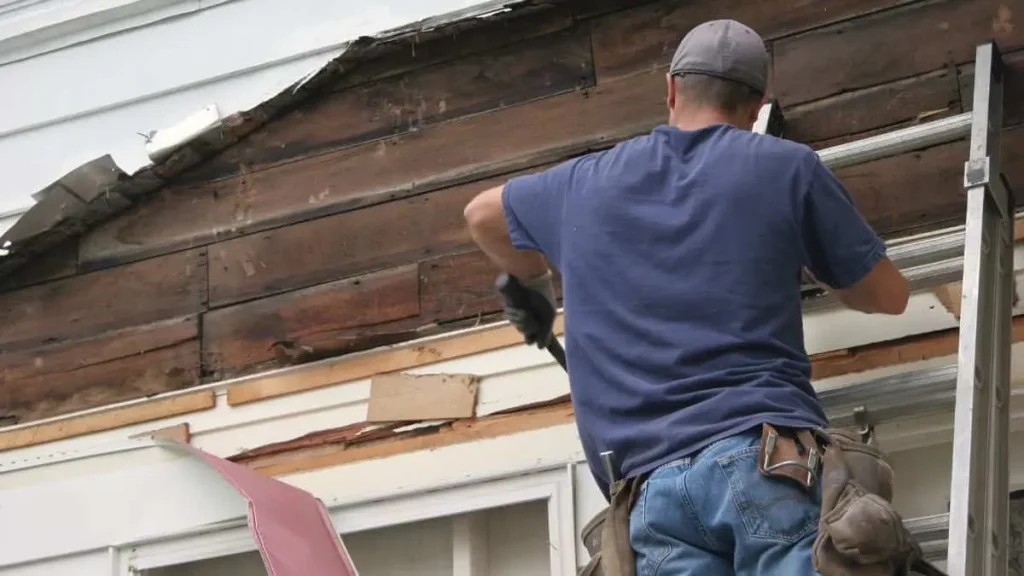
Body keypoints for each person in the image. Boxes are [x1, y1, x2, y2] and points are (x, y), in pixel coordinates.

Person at [463, 18, 910, 576]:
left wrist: (534, 283)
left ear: (671, 89)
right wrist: (812, 258)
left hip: (652, 494)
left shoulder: (582, 184)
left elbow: (480, 215)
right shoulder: (784, 167)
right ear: (757, 107)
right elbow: (889, 296)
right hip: (763, 458)